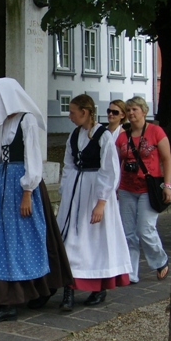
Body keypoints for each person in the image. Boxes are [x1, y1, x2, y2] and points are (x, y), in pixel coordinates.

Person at [0, 78, 51, 324]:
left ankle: (18, 298)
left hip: (19, 183)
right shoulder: (3, 123)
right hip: (1, 181)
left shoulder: (26, 120)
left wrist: (27, 192)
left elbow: (33, 156)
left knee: (20, 239)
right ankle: (8, 299)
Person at [57, 95, 132, 310]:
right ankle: (68, 290)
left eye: (72, 112)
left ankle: (99, 287)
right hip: (75, 193)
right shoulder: (74, 135)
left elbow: (110, 171)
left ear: (85, 112)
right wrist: (66, 191)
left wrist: (101, 201)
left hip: (94, 192)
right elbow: (68, 165)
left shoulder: (103, 135)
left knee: (95, 243)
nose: (70, 116)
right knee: (70, 241)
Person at [115, 96, 171, 283]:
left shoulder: (156, 131)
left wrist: (167, 185)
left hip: (149, 188)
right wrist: (115, 186)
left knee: (145, 229)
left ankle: (160, 260)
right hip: (127, 188)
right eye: (128, 110)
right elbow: (116, 163)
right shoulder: (122, 136)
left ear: (144, 111)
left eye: (135, 109)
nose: (131, 113)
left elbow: (167, 159)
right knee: (128, 233)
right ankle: (131, 272)